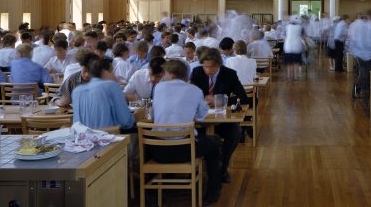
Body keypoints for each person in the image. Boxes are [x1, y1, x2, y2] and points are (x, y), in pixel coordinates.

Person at [150, 59, 222, 205]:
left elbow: (154, 114)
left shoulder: (158, 88)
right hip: (184, 150)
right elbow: (201, 116)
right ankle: (213, 191)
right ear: (185, 75)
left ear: (169, 74)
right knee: (214, 146)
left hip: (157, 150)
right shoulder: (195, 91)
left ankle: (156, 192)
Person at [190, 49, 246, 182]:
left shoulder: (229, 74)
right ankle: (201, 168)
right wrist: (202, 99)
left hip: (221, 118)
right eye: (206, 66)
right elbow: (190, 94)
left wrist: (221, 99)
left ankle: (222, 166)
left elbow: (242, 97)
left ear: (219, 65)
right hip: (199, 119)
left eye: (212, 67)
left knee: (235, 132)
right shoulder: (197, 72)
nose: (208, 70)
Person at [71, 57, 134, 131]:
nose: (115, 76)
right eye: (112, 72)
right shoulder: (112, 85)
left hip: (81, 140)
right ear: (105, 72)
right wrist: (137, 115)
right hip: (108, 140)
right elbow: (126, 122)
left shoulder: (76, 91)